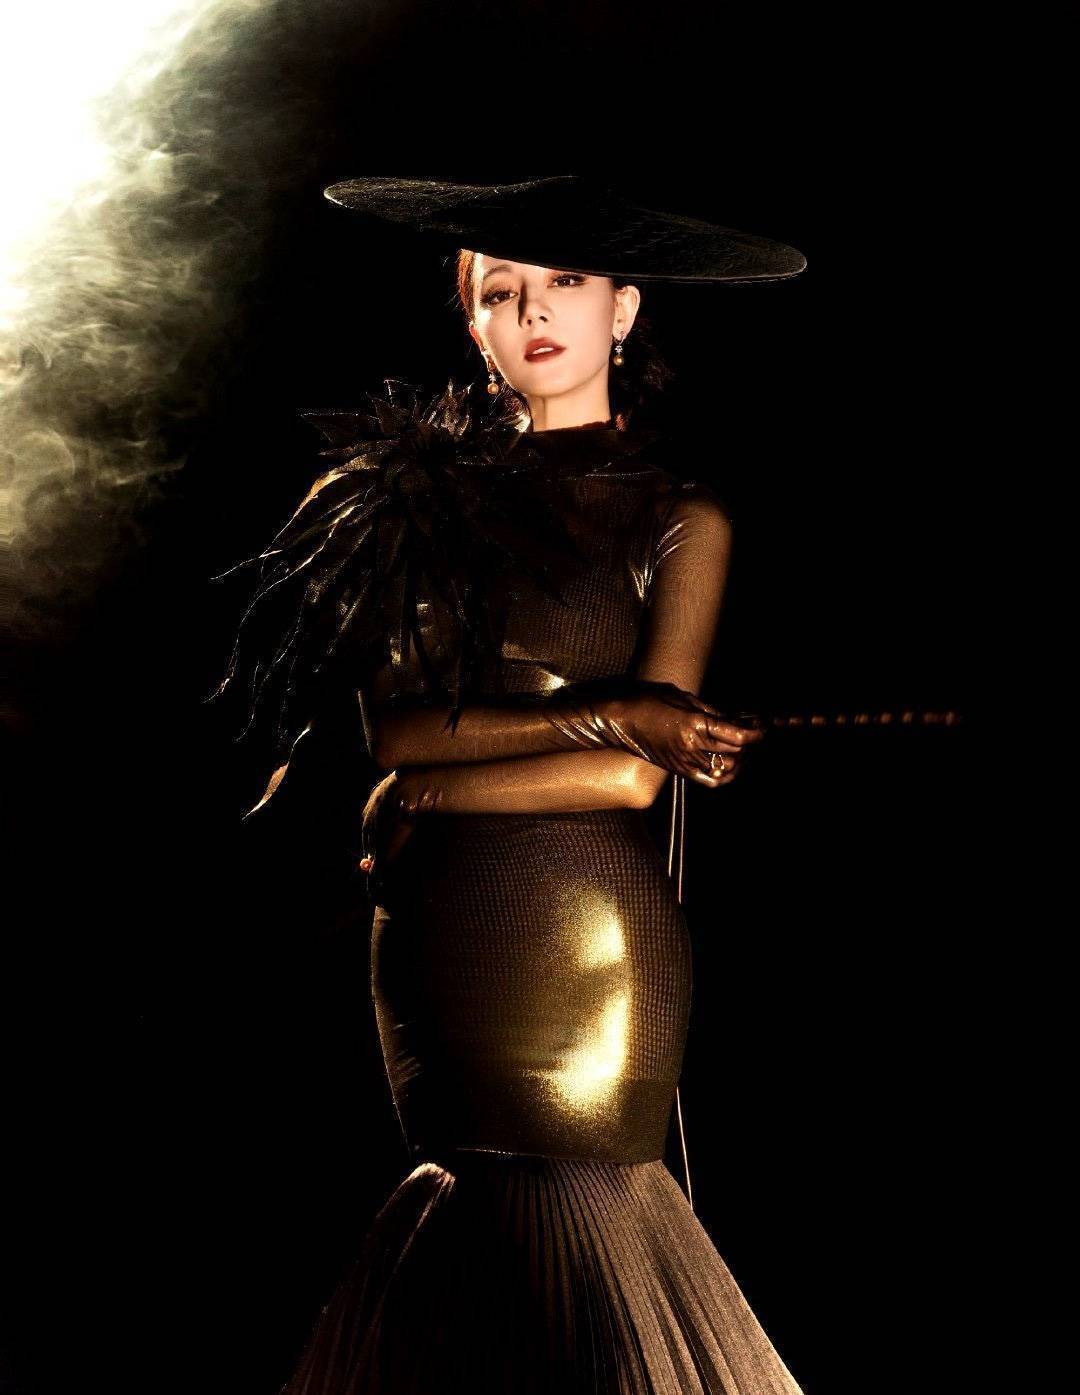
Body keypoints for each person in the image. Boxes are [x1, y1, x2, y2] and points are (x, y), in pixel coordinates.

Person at [210, 176, 808, 1394]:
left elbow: (628, 785)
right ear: (471, 321)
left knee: (578, 1265)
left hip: (587, 936)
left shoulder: (681, 515)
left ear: (624, 310)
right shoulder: (410, 505)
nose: (533, 311)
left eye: (566, 282)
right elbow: (400, 732)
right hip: (439, 944)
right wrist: (610, 712)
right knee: (464, 1282)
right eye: (500, 290)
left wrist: (433, 797)